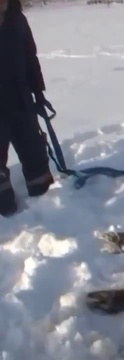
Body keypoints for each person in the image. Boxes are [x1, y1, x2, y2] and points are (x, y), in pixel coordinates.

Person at [0, 0, 54, 217]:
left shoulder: (17, 20)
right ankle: (6, 216)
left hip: (21, 101)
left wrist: (38, 91)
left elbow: (30, 57)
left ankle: (50, 205)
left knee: (35, 156)